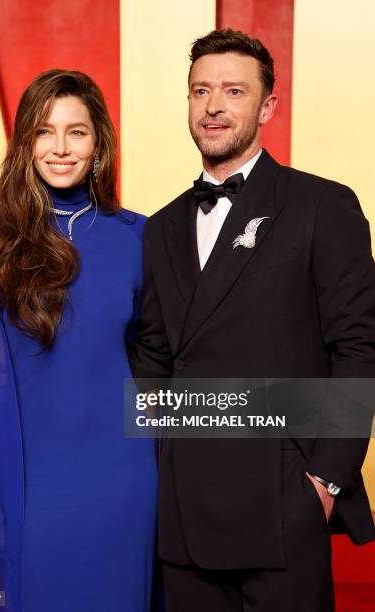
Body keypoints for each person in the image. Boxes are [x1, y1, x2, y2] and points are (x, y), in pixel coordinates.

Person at [128, 29, 375, 611]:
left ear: (266, 106)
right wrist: (160, 460)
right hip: (184, 513)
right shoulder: (160, 227)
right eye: (200, 91)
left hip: (282, 505)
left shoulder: (322, 205)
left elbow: (360, 347)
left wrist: (323, 482)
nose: (214, 106)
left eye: (233, 91)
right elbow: (154, 356)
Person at [0, 69, 158, 612]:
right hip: (27, 484)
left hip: (125, 480)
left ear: (98, 142)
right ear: (24, 142)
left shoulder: (140, 238)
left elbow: (162, 363)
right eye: (44, 131)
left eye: (77, 132)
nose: (60, 148)